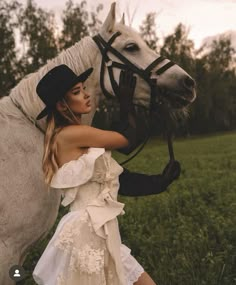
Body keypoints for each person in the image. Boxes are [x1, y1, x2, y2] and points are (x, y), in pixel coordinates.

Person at [32, 64, 180, 285]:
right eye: (76, 92)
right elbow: (126, 139)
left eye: (83, 88)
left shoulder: (81, 139)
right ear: (62, 105)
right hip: (87, 231)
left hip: (101, 231)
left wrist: (159, 182)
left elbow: (116, 179)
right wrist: (126, 103)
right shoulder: (72, 134)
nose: (86, 95)